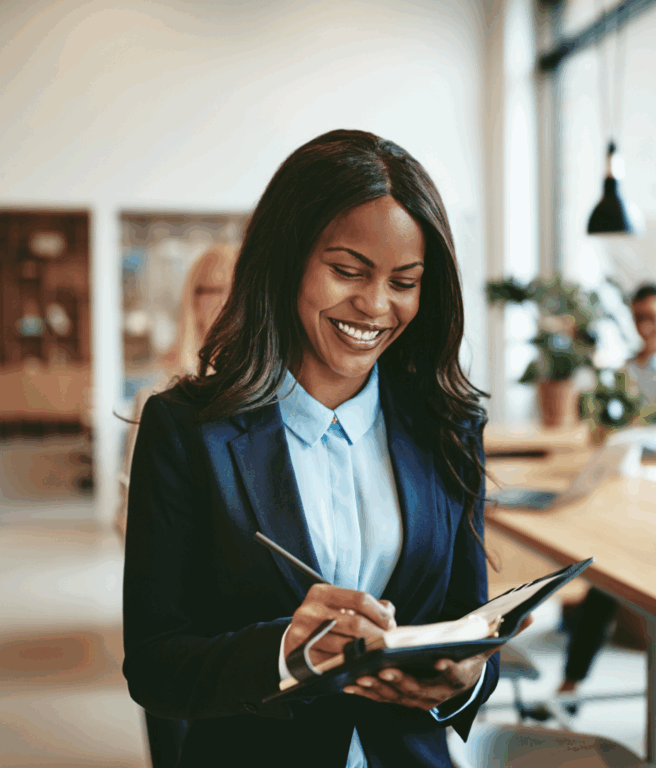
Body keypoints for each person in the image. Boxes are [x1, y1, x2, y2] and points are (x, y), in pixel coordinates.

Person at [122, 130, 524, 767]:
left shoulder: (449, 427)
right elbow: (154, 664)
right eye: (347, 271)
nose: (374, 304)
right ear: (288, 262)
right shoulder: (188, 430)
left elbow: (465, 624)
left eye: (405, 281)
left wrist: (465, 681)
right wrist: (284, 650)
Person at [528, 283, 656, 737]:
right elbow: (605, 424)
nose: (645, 326)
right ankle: (570, 688)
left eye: (653, 316)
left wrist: (635, 433)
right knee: (603, 581)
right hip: (629, 497)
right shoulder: (624, 369)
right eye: (638, 317)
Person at [116, 245, 236, 767]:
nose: (224, 303)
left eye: (235, 288)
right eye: (211, 290)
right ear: (193, 300)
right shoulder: (162, 399)